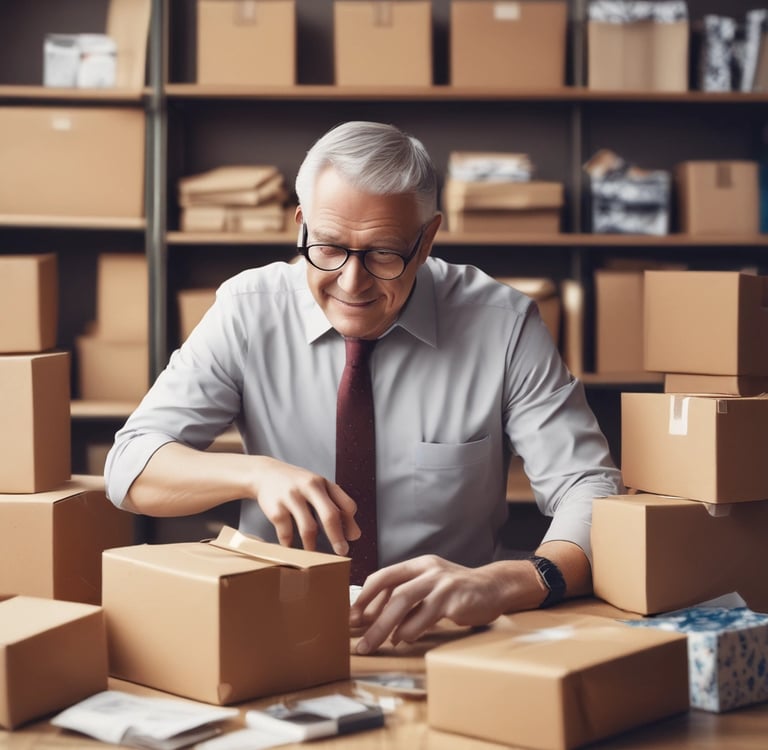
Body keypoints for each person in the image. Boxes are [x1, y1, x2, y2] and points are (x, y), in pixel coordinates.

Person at [105, 120, 623, 656]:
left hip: (450, 640)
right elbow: (129, 466)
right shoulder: (247, 310)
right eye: (329, 247)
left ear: (427, 240)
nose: (351, 283)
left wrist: (511, 579)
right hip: (274, 633)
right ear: (301, 225)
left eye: (383, 253)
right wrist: (253, 474)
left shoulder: (503, 325)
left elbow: (592, 489)